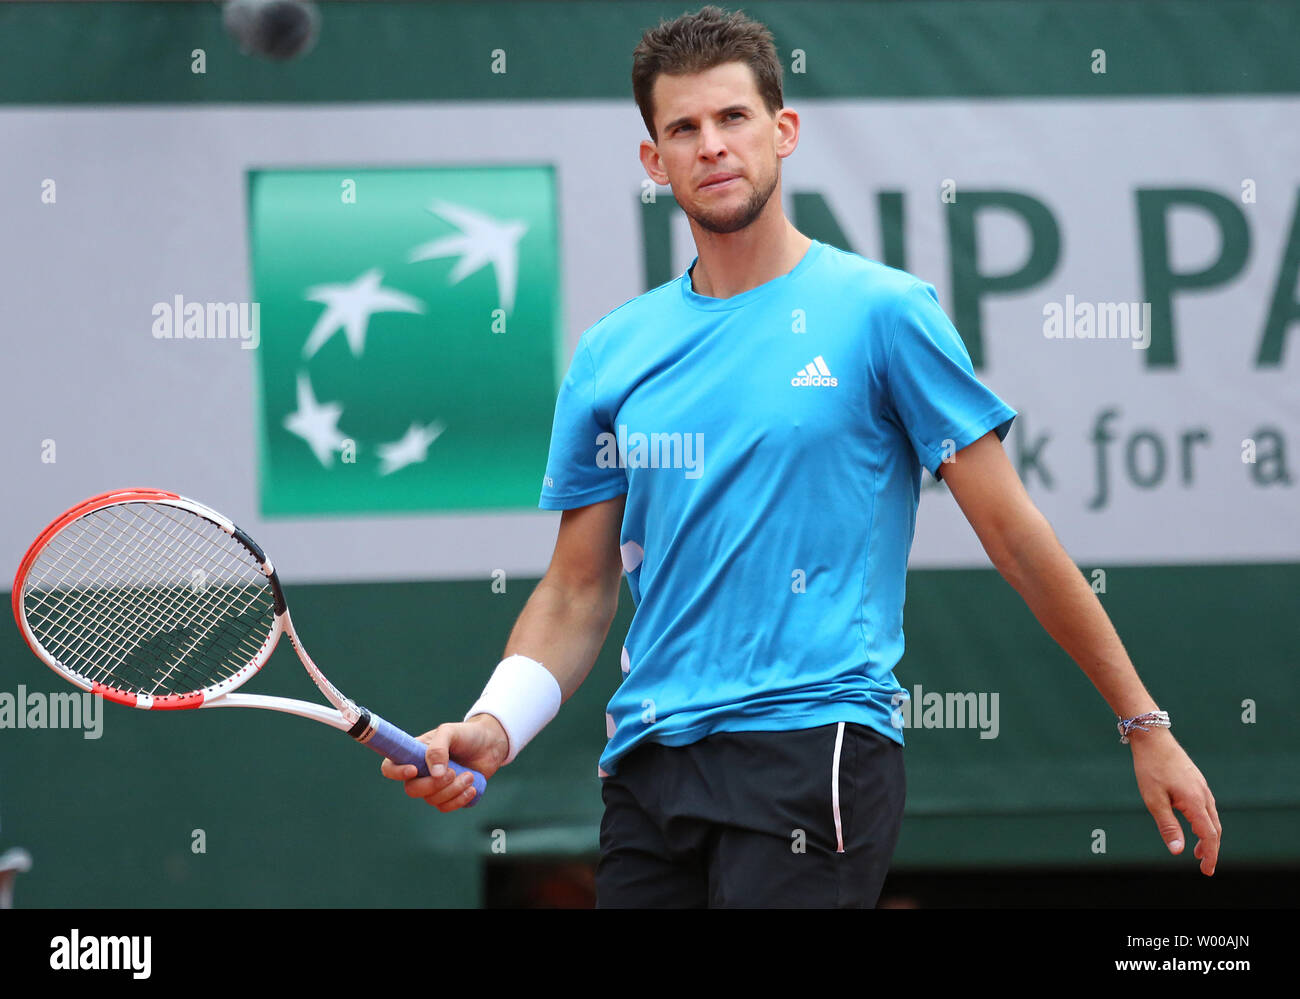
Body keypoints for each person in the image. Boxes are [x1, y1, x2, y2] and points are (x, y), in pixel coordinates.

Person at [381, 4, 1221, 907]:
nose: (712, 145)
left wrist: (1144, 722)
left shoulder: (885, 313)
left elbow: (1014, 533)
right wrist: (495, 723)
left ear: (782, 131)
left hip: (812, 745)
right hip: (647, 770)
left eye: (733, 118)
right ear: (652, 160)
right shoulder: (611, 354)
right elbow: (579, 586)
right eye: (684, 128)